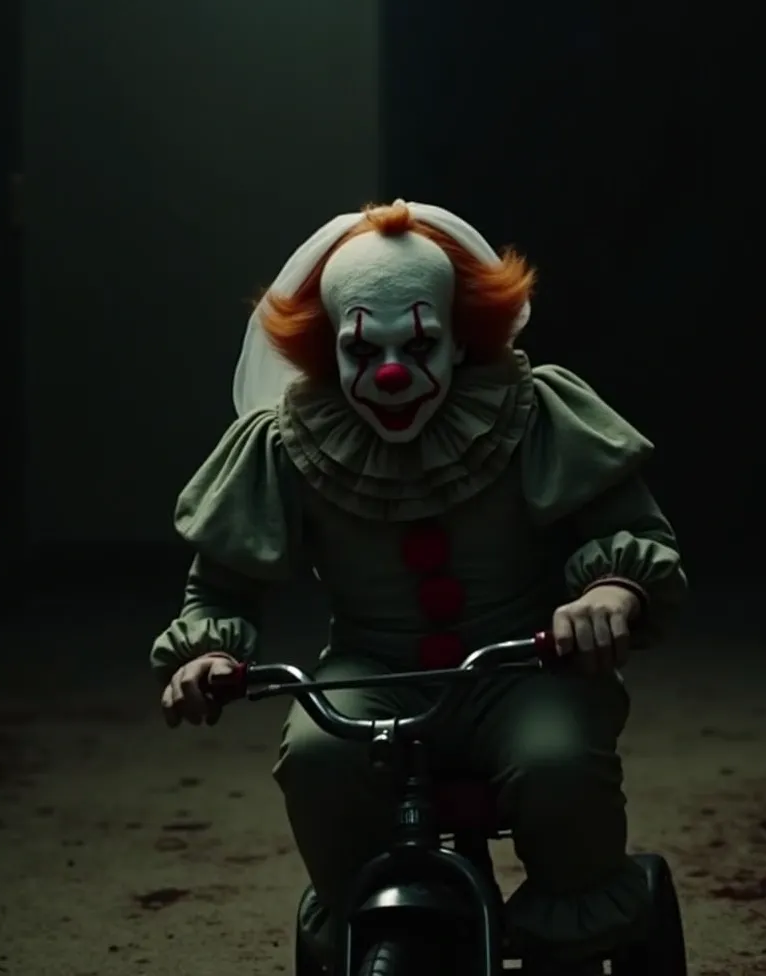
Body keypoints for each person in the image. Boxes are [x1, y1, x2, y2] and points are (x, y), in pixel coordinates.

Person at [151, 200, 687, 974]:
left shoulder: (531, 411)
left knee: (558, 765)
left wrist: (612, 592)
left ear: (459, 335)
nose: (392, 373)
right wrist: (205, 653)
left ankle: (574, 921)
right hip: (373, 670)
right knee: (316, 756)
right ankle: (359, 914)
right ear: (328, 347)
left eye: (419, 344)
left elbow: (631, 531)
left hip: (526, 665)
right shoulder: (291, 442)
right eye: (361, 350)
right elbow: (221, 588)